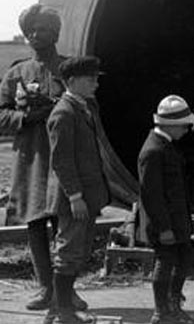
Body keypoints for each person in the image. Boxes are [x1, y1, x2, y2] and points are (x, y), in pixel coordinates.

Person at [0, 4, 87, 312]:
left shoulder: (69, 70)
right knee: (35, 223)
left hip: (64, 158)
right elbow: (1, 115)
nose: (38, 34)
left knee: (66, 222)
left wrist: (56, 107)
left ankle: (67, 290)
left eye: (45, 29)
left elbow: (87, 104)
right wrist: (25, 117)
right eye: (33, 30)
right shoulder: (16, 73)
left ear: (56, 33)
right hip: (31, 159)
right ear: (27, 35)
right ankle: (45, 288)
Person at [45, 56, 124, 324]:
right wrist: (75, 196)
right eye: (90, 79)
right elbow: (61, 161)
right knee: (68, 253)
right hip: (73, 199)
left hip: (85, 197)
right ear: (71, 82)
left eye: (96, 78)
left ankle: (59, 309)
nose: (96, 84)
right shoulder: (64, 113)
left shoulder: (82, 107)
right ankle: (63, 313)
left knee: (76, 251)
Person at [138, 95, 194, 324]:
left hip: (177, 220)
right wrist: (164, 228)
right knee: (165, 262)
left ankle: (173, 305)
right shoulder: (153, 151)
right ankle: (161, 312)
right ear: (170, 125)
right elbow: (152, 195)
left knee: (184, 257)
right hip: (164, 223)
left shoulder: (166, 146)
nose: (186, 129)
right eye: (184, 124)